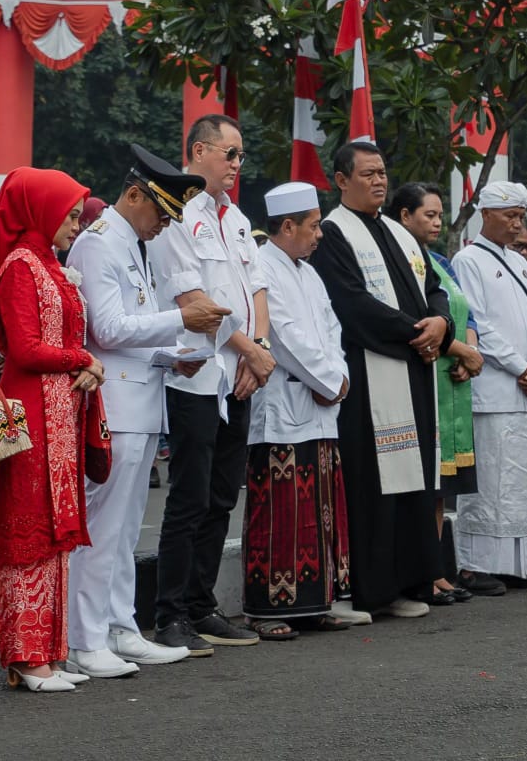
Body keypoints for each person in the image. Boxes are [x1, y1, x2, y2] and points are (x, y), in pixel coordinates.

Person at [65, 147, 224, 677]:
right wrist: (180, 320)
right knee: (102, 529)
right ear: (134, 196)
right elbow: (106, 329)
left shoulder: (133, 244)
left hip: (141, 397)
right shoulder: (98, 245)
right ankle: (84, 639)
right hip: (114, 403)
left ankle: (119, 628)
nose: (163, 227)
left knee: (128, 528)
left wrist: (171, 356)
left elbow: (130, 330)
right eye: (160, 214)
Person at [309, 142, 452, 619]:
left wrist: (441, 323)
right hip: (371, 376)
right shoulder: (332, 235)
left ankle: (413, 580)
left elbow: (434, 288)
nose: (378, 182)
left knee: (413, 481)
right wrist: (418, 333)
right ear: (341, 179)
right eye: (367, 174)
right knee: (378, 483)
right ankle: (378, 588)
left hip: (412, 367)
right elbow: (350, 305)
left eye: (382, 173)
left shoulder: (399, 232)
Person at [151, 114, 271, 651]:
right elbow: (191, 300)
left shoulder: (238, 220)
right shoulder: (178, 213)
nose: (237, 164)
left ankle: (202, 606)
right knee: (189, 497)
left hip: (239, 374)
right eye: (230, 153)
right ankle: (170, 612)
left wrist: (258, 351)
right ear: (199, 151)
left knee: (223, 496)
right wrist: (248, 349)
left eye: (241, 155)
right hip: (196, 373)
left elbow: (257, 294)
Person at [0, 166, 98, 692]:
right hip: (30, 414)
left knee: (54, 530)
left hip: (61, 413)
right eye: (69, 216)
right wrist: (81, 358)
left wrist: (82, 365)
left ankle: (49, 651)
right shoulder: (20, 268)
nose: (76, 225)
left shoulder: (50, 265)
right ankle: (26, 655)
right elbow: (25, 350)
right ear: (43, 212)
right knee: (28, 530)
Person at [243, 183, 354, 638]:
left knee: (321, 510)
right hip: (284, 410)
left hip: (321, 409)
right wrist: (329, 381)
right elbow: (284, 337)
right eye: (312, 226)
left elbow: (332, 331)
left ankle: (316, 601)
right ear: (287, 226)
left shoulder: (310, 273)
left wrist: (339, 380)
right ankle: (269, 609)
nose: (318, 235)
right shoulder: (261, 268)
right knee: (281, 515)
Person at [451, 181, 527, 596]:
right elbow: (478, 325)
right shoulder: (468, 260)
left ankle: (515, 565)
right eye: (510, 215)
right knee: (488, 478)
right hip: (493, 385)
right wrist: (519, 366)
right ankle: (475, 566)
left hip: (526, 390)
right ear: (486, 215)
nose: (517, 224)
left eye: (520, 215)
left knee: (516, 480)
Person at [386, 182, 481, 605]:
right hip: (424, 376)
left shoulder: (440, 261)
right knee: (422, 483)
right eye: (430, 215)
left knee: (441, 488)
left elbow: (465, 310)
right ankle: (423, 570)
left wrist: (469, 351)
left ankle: (437, 570)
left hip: (452, 380)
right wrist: (460, 350)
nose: (438, 222)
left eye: (441, 215)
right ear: (404, 216)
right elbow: (415, 322)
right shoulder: (395, 259)